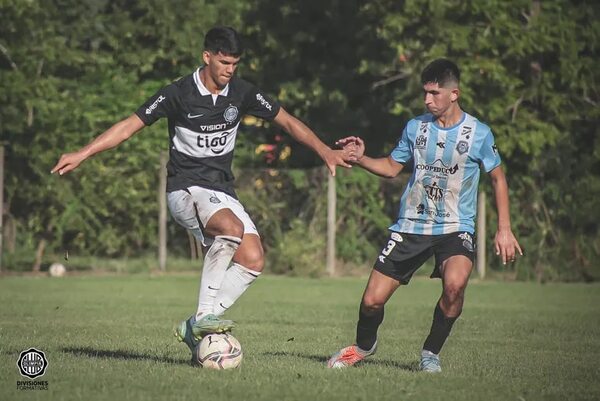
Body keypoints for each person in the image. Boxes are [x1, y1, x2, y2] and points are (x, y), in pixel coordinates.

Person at [52, 26, 352, 359]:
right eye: (224, 62)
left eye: (235, 63)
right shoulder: (178, 93)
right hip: (184, 188)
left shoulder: (242, 93)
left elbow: (288, 122)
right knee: (231, 230)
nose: (229, 69)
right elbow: (128, 126)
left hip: (222, 190)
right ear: (206, 57)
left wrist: (325, 150)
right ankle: (206, 316)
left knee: (253, 260)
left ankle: (193, 325)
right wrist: (83, 152)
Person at [327, 58, 522, 372]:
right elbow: (391, 168)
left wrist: (504, 229)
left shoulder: (478, 133)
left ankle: (430, 353)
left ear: (454, 94)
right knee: (371, 302)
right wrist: (362, 158)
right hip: (411, 226)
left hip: (455, 227)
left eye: (434, 93)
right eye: (425, 93)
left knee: (455, 285)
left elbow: (498, 178)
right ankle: (363, 347)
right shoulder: (415, 128)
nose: (427, 100)